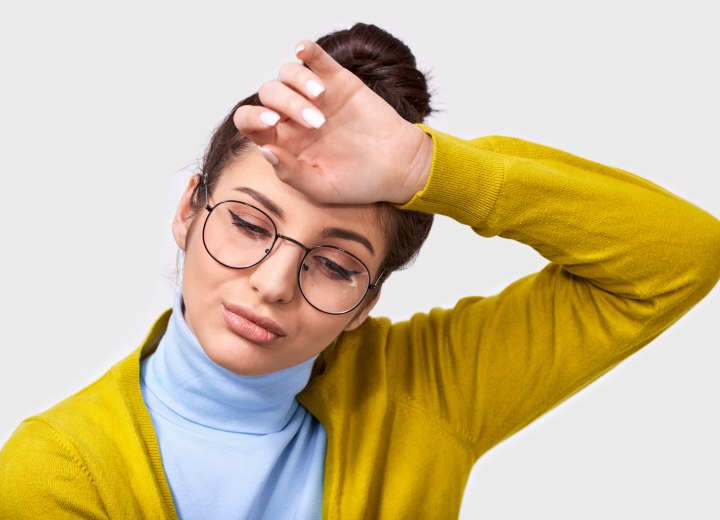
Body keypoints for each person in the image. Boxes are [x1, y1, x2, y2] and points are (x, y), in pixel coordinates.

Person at [1, 22, 719, 519]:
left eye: (336, 265)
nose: (274, 283)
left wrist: (430, 168)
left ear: (367, 301)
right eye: (249, 225)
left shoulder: (428, 389)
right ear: (190, 209)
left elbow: (680, 255)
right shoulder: (55, 473)